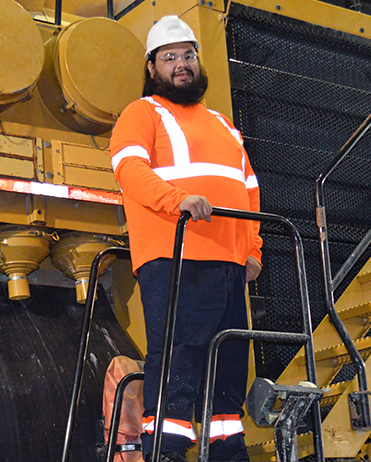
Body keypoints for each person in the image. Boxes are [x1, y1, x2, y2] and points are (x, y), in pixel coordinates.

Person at [108, 15, 263, 462]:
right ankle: (169, 451)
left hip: (230, 262)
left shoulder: (223, 124)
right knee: (178, 356)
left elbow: (249, 188)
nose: (182, 65)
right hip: (174, 256)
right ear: (151, 67)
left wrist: (252, 250)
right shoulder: (142, 113)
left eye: (188, 56)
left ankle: (227, 449)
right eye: (170, 57)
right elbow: (129, 170)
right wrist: (176, 199)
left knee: (230, 360)